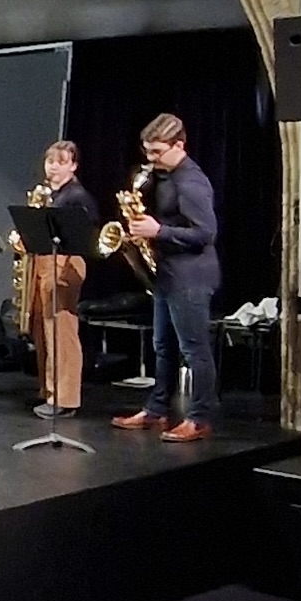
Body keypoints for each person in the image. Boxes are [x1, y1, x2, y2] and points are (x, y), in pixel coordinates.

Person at [114, 113, 221, 442]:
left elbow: (206, 233)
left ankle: (199, 418)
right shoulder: (163, 176)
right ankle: (157, 409)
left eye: (157, 152)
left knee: (194, 350)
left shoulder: (192, 182)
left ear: (180, 145)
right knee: (163, 346)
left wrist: (158, 231)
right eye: (147, 151)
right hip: (167, 274)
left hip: (191, 276)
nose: (151, 159)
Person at [17, 140, 99, 417]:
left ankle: (65, 398)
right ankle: (49, 390)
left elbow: (85, 234)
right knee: (43, 329)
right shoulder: (48, 194)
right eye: (50, 161)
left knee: (61, 329)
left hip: (65, 262)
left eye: (61, 162)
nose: (53, 167)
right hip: (44, 260)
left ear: (73, 166)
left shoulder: (76, 196)